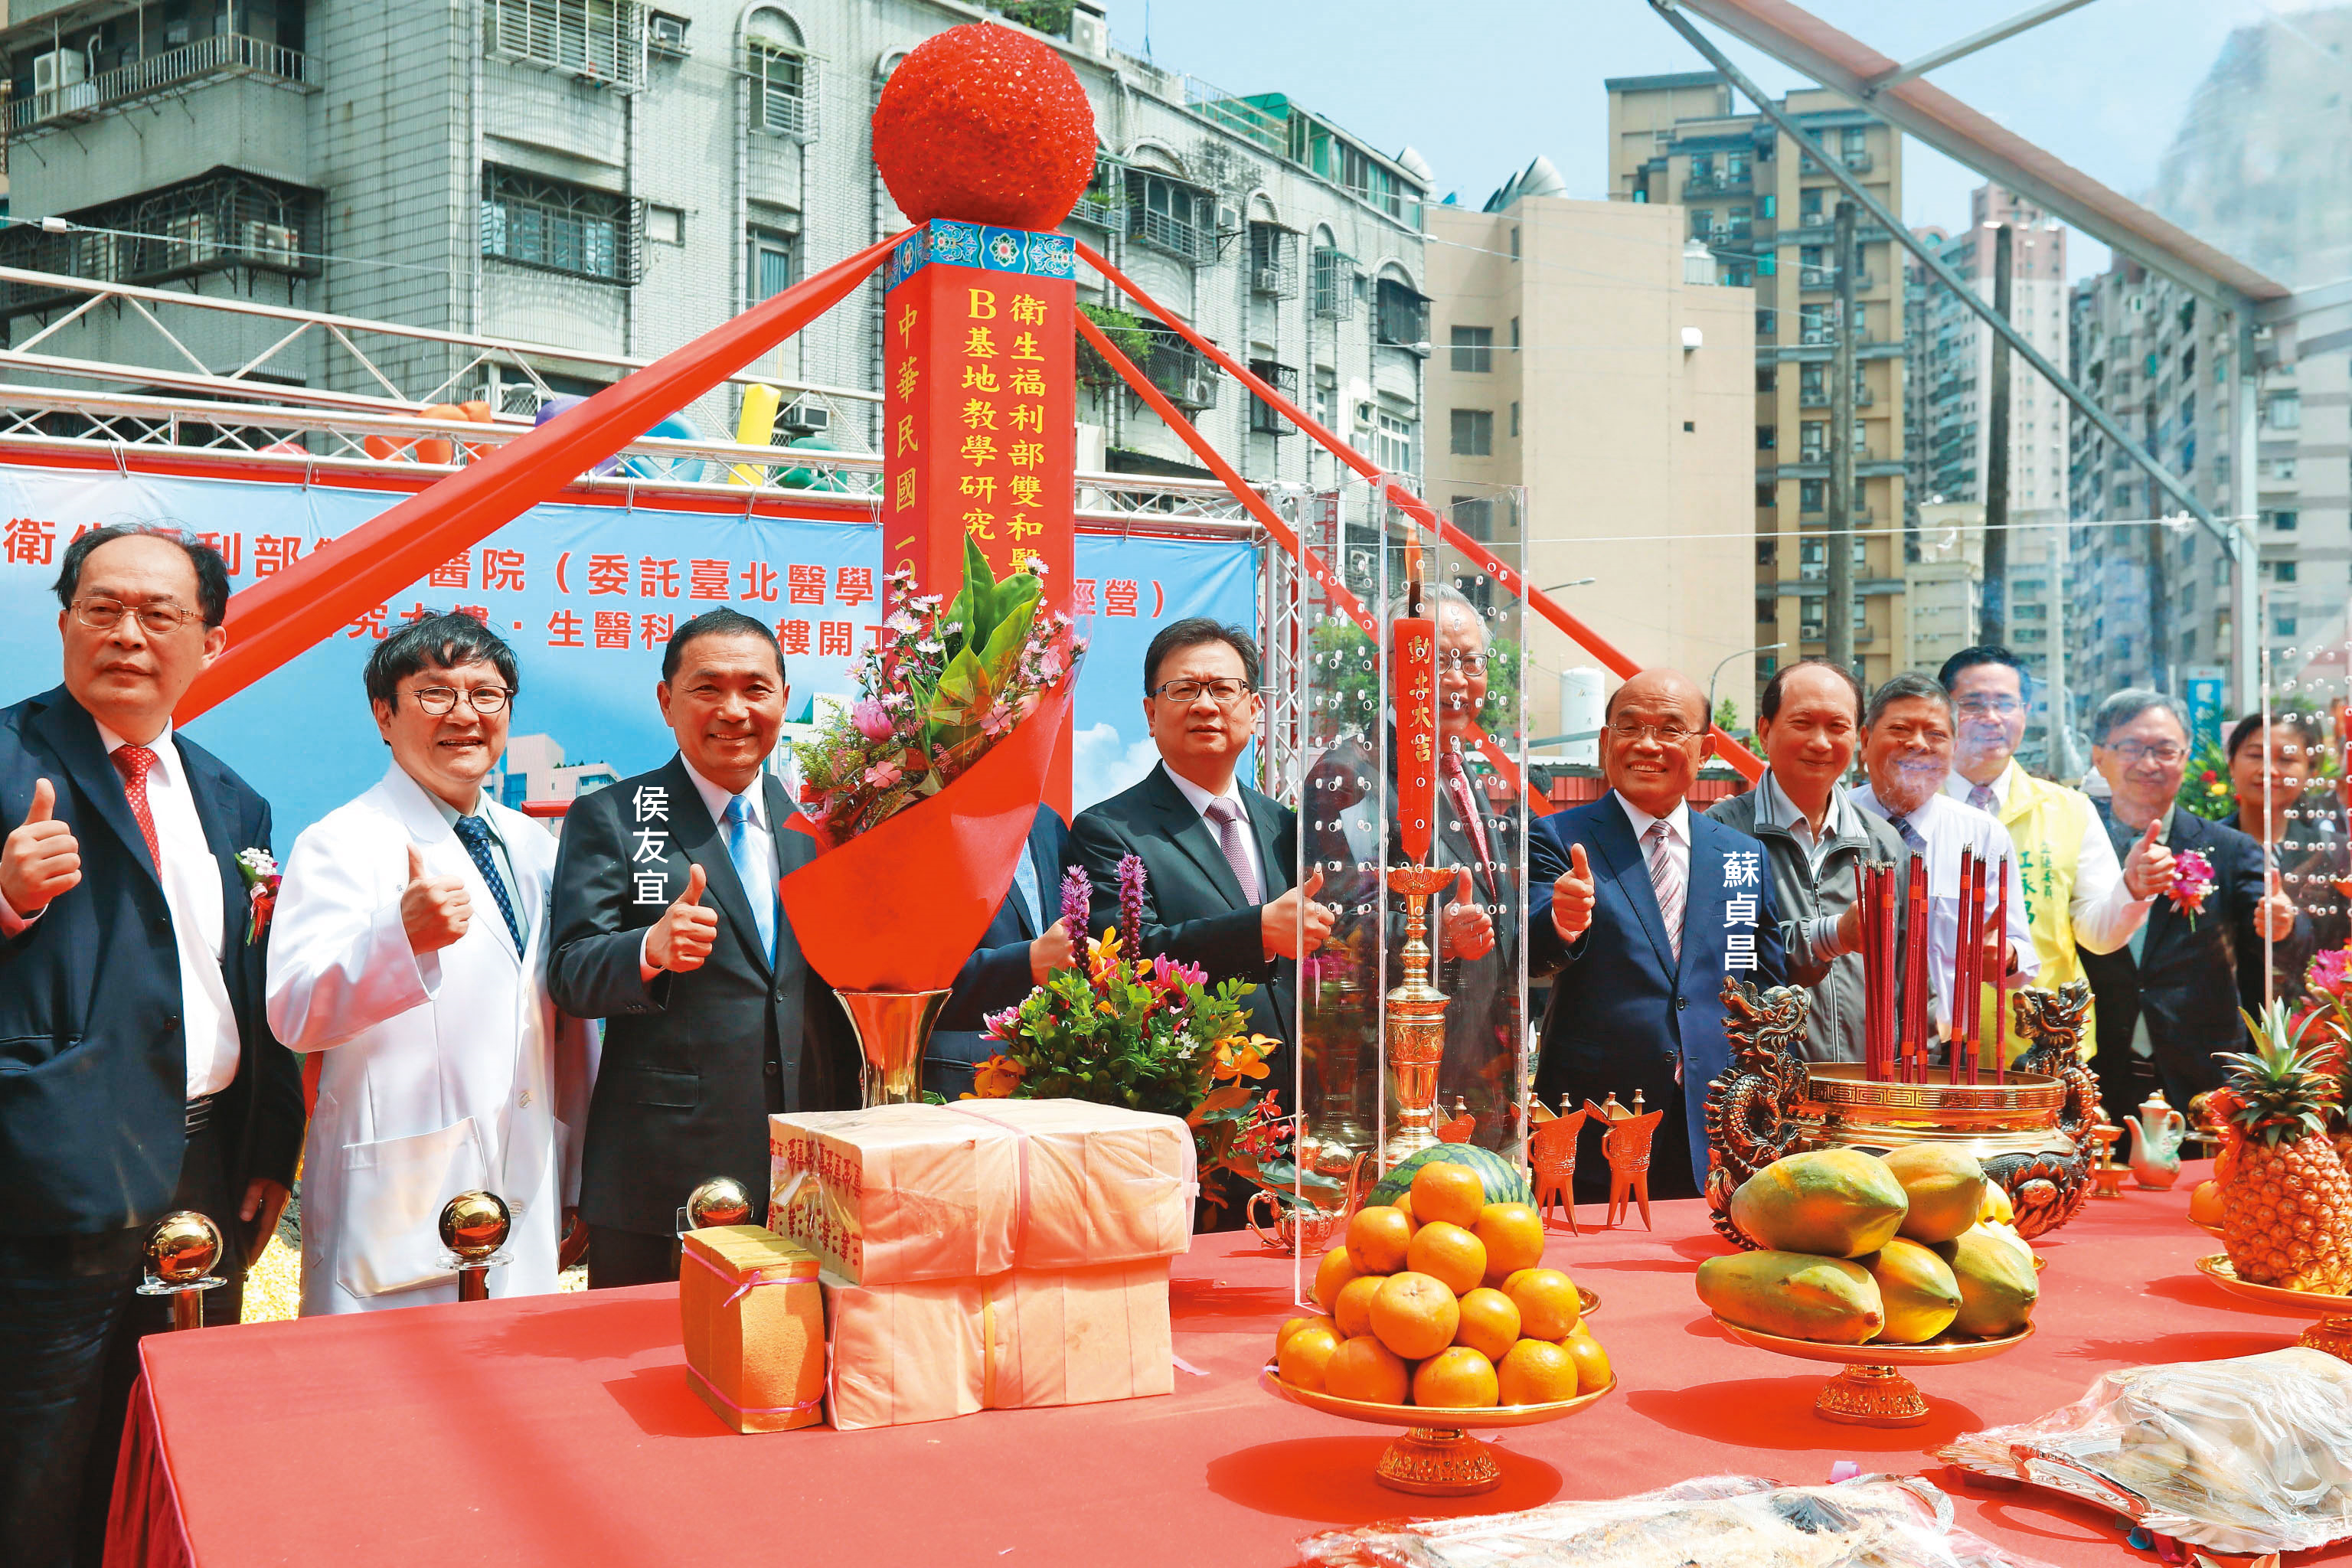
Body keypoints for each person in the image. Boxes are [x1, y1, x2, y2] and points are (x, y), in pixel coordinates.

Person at [0, 524, 303, 1567]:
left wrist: (268, 1147)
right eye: (103, 608)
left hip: (201, 1171)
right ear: (63, 623)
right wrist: (2, 899)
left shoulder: (231, 799)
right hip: (45, 1183)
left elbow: (241, 987)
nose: (128, 634)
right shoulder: (7, 761)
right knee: (38, 1460)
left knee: (175, 1439)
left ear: (211, 642)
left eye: (160, 615)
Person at [265, 613, 596, 1315]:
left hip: (525, 1178)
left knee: (512, 1395)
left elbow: (565, 1031)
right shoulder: (341, 842)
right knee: (390, 1404)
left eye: (487, 695)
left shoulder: (531, 846)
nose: (465, 716)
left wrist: (577, 1176)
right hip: (397, 1194)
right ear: (384, 714)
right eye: (436, 694)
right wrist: (399, 938)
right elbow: (294, 1015)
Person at [546, 609, 857, 1288]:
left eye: (756, 688)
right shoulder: (615, 817)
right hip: (663, 1174)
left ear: (782, 695)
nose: (734, 711)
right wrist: (647, 950)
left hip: (806, 1170)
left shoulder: (825, 828)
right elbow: (570, 973)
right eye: (708, 689)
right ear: (667, 702)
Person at [1528, 668, 1787, 1204]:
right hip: (1600, 1124)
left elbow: (1762, 985)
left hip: (1720, 1127)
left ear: (1706, 748)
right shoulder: (1559, 835)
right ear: (1606, 742)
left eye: (1670, 729)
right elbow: (1530, 944)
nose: (1647, 744)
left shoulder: (1741, 855)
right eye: (1629, 727)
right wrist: (1562, 920)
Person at [1299, 587, 1524, 1150]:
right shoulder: (1351, 773)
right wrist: (1437, 941)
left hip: (1477, 1076)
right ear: (1385, 669)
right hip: (1393, 1089)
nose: (1453, 679)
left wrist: (1562, 926)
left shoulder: (1461, 768)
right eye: (1433, 660)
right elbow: (1340, 928)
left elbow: (1495, 926)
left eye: (1469, 661)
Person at [1071, 619, 1331, 1079]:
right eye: (1184, 690)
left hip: (1300, 1092)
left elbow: (1340, 932)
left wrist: (1437, 933)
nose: (1205, 706)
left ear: (1253, 710)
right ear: (1151, 714)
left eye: (1222, 689)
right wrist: (1258, 931)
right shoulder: (1107, 830)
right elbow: (1123, 958)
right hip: (1186, 1094)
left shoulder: (1286, 826)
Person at [2079, 690, 2306, 1120]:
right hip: (2093, 1072)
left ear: (2185, 757)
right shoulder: (2074, 841)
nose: (2149, 764)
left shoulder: (2229, 848)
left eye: (2165, 750)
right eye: (2131, 748)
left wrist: (2283, 926)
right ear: (2099, 756)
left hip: (2199, 1081)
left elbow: (2282, 948)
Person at [1939, 645, 2162, 1038]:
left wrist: (2132, 890)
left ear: (2025, 713)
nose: (1991, 718)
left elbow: (2099, 936)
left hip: (2046, 1043)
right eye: (1972, 704)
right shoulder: (1914, 810)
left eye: (2006, 704)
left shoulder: (2070, 809)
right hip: (1930, 1050)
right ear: (1943, 711)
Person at [1707, 657, 1912, 1063]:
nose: (1821, 742)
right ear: (1765, 732)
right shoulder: (1722, 834)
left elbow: (1907, 976)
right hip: (1762, 1087)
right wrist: (1833, 934)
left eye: (1838, 727)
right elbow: (1727, 963)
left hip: (1866, 1088)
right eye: (1802, 723)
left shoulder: (1883, 843)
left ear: (1857, 738)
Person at [1848, 672, 2040, 1057]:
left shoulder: (1983, 836)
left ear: (1953, 750)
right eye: (1900, 729)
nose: (1918, 744)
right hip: (1842, 1044)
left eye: (1936, 735)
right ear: (1865, 743)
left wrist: (2003, 957)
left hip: (1944, 1049)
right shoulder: (1832, 822)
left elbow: (2020, 952)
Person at [926, 803, 1077, 1099]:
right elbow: (900, 970)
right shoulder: (917, 803)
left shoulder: (1048, 821)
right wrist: (1025, 964)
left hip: (1054, 1083)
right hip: (958, 1084)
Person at [2225, 710, 2328, 1004]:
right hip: (2224, 1023)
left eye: (2286, 759)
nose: (2268, 770)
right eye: (2255, 755)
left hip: (2311, 1019)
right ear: (2231, 763)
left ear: (2312, 771)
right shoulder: (2206, 848)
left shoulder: (2332, 853)